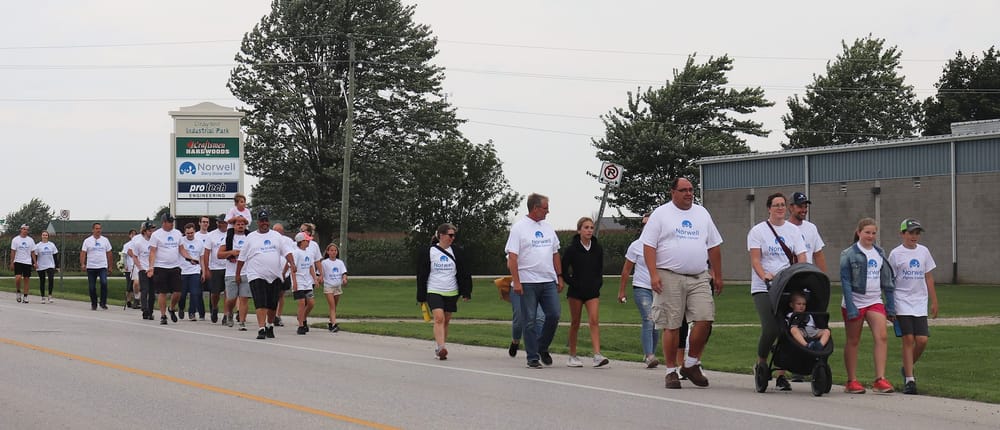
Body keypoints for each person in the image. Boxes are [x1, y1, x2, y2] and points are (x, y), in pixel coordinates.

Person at [640, 177, 723, 389]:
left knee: (705, 318)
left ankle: (691, 363)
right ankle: (670, 371)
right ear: (673, 192)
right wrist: (653, 274)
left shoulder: (702, 213)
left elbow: (713, 246)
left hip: (699, 275)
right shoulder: (661, 214)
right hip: (669, 275)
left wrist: (718, 274)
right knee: (672, 324)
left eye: (691, 190)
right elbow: (648, 246)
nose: (689, 194)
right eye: (684, 190)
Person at [748, 193, 807, 391]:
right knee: (771, 327)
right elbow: (755, 259)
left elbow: (801, 257)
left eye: (782, 205)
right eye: (776, 205)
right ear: (769, 208)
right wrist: (764, 275)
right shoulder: (758, 231)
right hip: (764, 287)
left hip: (787, 284)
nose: (780, 208)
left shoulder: (793, 231)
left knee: (787, 327)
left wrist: (801, 274)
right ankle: (761, 362)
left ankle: (781, 373)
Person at [505, 193, 562, 369]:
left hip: (548, 280)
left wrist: (559, 276)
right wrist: (517, 282)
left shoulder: (548, 228)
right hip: (527, 281)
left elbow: (555, 253)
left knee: (554, 315)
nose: (548, 211)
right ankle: (532, 357)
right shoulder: (519, 228)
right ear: (535, 208)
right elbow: (512, 258)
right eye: (545, 208)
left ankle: (542, 346)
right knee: (529, 320)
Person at [840, 217, 896, 394]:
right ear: (859, 233)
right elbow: (845, 281)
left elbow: (887, 281)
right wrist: (850, 306)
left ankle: (880, 379)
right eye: (867, 232)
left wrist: (891, 306)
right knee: (853, 340)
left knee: (882, 336)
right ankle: (851, 381)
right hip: (855, 301)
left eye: (873, 233)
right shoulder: (848, 254)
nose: (870, 236)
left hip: (874, 300)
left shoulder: (879, 253)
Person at [888, 218, 938, 395]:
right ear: (902, 234)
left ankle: (907, 367)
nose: (914, 236)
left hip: (919, 302)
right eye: (910, 233)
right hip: (901, 300)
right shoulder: (896, 254)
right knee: (908, 339)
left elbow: (928, 277)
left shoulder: (924, 251)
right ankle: (910, 379)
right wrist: (891, 305)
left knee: (922, 340)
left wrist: (934, 301)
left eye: (917, 233)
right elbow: (890, 281)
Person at [235, 210, 296, 340]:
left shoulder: (276, 236)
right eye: (262, 221)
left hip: (274, 275)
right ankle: (261, 328)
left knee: (272, 304)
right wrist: (238, 274)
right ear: (258, 222)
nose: (264, 223)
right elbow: (242, 257)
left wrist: (292, 263)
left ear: (269, 222)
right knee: (260, 302)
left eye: (266, 221)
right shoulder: (251, 237)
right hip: (256, 275)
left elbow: (287, 252)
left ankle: (269, 325)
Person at [416, 223, 473, 360]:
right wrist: (421, 295)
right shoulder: (429, 252)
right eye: (450, 235)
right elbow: (421, 274)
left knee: (446, 320)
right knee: (439, 318)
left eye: (454, 235)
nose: (453, 238)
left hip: (451, 291)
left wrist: (466, 291)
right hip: (434, 289)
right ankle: (441, 348)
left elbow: (464, 272)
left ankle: (440, 346)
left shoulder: (457, 252)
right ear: (441, 235)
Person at [562, 217, 608, 368]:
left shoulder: (597, 248)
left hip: (592, 291)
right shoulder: (572, 249)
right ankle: (572, 355)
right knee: (575, 322)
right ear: (579, 230)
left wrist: (598, 283)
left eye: (591, 228)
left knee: (594, 320)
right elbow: (563, 270)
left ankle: (597, 355)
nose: (589, 230)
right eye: (586, 227)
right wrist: (573, 283)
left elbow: (599, 269)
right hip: (576, 292)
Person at [618, 214, 660, 368]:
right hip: (641, 287)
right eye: (645, 224)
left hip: (657, 289)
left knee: (656, 322)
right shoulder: (636, 246)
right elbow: (626, 270)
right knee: (648, 318)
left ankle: (651, 353)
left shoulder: (661, 245)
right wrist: (622, 291)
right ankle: (649, 355)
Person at [148, 213, 196, 325]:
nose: (172, 224)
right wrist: (151, 267)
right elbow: (153, 252)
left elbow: (181, 249)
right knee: (163, 292)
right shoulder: (156, 235)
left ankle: (172, 308)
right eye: (170, 222)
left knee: (178, 291)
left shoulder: (177, 233)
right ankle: (163, 315)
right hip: (161, 266)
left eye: (172, 222)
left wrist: (189, 258)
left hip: (175, 266)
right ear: (164, 222)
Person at [219, 216, 250, 330]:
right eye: (238, 224)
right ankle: (229, 313)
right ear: (234, 226)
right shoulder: (228, 238)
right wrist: (231, 252)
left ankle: (242, 322)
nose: (240, 226)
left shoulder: (249, 237)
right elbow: (219, 254)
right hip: (231, 272)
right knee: (231, 298)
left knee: (244, 298)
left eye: (242, 224)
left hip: (246, 271)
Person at [787, 192, 827, 272]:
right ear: (791, 207)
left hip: (806, 275)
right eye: (800, 207)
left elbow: (818, 255)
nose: (804, 210)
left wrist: (823, 277)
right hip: (788, 275)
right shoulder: (783, 228)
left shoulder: (811, 228)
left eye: (805, 207)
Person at [81, 222, 114, 310]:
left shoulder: (105, 240)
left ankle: (103, 302)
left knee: (104, 283)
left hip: (102, 266)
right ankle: (94, 303)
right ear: (93, 230)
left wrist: (110, 266)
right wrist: (83, 264)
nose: (98, 230)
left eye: (99, 228)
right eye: (96, 228)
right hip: (91, 266)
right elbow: (83, 253)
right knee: (92, 287)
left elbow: (109, 253)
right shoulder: (87, 241)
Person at [291, 232, 319, 335]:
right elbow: (293, 268)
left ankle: (302, 317)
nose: (308, 242)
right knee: (302, 302)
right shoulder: (296, 253)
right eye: (307, 240)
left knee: (311, 303)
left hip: (308, 282)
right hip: (299, 281)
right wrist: (294, 282)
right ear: (301, 241)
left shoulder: (309, 253)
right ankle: (301, 325)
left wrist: (315, 279)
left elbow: (311, 267)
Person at [179, 223, 208, 321]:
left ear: (194, 231)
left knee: (194, 293)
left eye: (191, 233)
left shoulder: (199, 243)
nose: (190, 235)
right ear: (185, 232)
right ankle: (181, 307)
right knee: (182, 294)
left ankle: (192, 313)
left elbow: (202, 259)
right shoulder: (181, 241)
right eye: (188, 233)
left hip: (195, 271)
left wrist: (203, 272)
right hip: (183, 271)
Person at [203, 214, 228, 323]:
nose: (220, 224)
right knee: (215, 293)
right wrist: (207, 269)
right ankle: (214, 307)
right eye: (219, 222)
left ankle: (226, 315)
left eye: (222, 222)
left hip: (228, 267)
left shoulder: (231, 234)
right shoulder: (211, 235)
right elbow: (206, 253)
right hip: (215, 268)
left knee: (228, 292)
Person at [129, 222, 155, 320]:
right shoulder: (139, 242)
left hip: (153, 268)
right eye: (149, 230)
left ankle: (150, 311)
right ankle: (145, 309)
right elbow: (135, 256)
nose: (151, 232)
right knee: (145, 290)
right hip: (143, 269)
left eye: (152, 230)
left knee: (152, 292)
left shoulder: (155, 241)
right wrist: (140, 268)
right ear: (144, 231)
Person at [272, 223, 297, 327]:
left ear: (282, 231)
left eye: (279, 231)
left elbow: (291, 255)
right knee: (272, 295)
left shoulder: (288, 241)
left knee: (281, 294)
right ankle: (271, 315)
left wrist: (288, 268)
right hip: (272, 272)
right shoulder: (270, 240)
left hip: (285, 273)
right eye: (275, 231)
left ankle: (278, 315)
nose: (277, 233)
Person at [320, 243, 347, 332]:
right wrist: (320, 279)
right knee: (332, 306)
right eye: (331, 250)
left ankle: (331, 321)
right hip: (329, 286)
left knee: (334, 306)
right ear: (328, 252)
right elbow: (320, 274)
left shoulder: (340, 262)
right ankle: (334, 324)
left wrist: (344, 279)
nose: (333, 252)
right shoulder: (324, 263)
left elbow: (344, 273)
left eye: (335, 250)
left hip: (337, 286)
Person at [10, 224, 36, 303]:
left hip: (27, 262)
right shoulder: (15, 240)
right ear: (21, 229)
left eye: (27, 230)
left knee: (26, 279)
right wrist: (12, 262)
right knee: (18, 278)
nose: (25, 231)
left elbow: (33, 252)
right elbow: (13, 251)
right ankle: (18, 291)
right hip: (18, 261)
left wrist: (35, 262)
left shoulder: (30, 240)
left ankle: (25, 296)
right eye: (24, 229)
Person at [34, 231, 59, 304]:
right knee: (42, 281)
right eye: (43, 235)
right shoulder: (38, 245)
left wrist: (57, 266)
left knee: (51, 279)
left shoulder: (51, 245)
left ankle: (50, 295)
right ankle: (43, 297)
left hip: (50, 265)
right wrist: (35, 263)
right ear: (41, 236)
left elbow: (55, 256)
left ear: (48, 236)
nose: (44, 236)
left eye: (46, 235)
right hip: (41, 265)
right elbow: (35, 256)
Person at [122, 229, 138, 309]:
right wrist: (125, 265)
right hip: (129, 266)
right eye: (132, 234)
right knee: (129, 285)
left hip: (136, 267)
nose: (133, 235)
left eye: (135, 234)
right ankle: (128, 300)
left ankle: (137, 300)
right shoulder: (127, 245)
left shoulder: (138, 244)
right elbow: (124, 256)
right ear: (129, 235)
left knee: (136, 284)